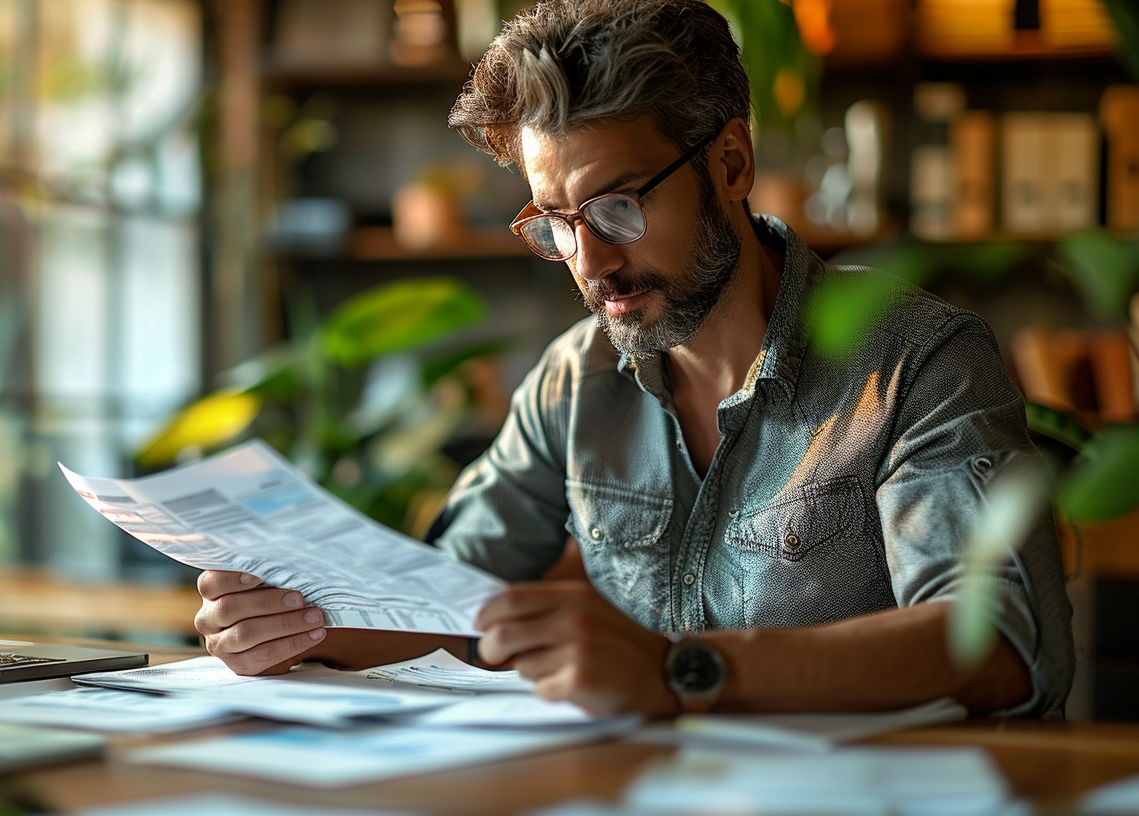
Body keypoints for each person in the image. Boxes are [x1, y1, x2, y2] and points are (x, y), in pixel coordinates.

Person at [193, 0, 1074, 719]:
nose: (590, 262)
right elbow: (453, 599)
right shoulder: (575, 380)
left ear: (730, 161)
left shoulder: (916, 359)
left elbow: (998, 646)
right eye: (555, 224)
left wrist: (679, 671)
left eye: (615, 209)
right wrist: (302, 626)